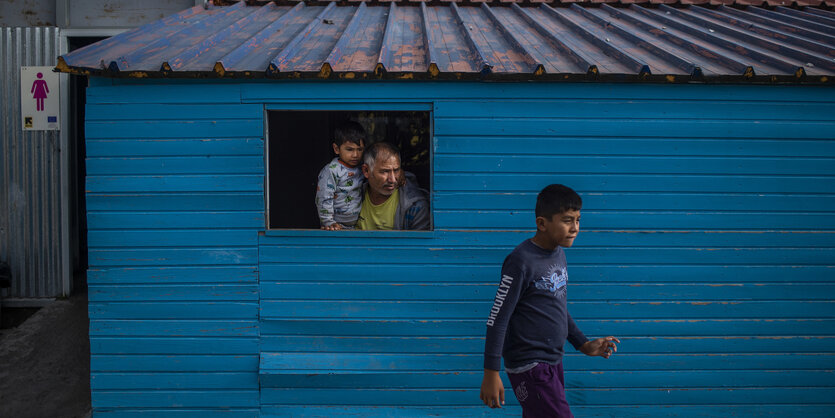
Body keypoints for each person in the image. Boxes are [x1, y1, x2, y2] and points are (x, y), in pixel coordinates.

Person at [480, 184, 620, 417]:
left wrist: (583, 344)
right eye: (567, 220)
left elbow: (557, 306)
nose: (575, 228)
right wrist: (490, 372)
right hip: (531, 367)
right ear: (542, 223)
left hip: (553, 362)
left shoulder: (558, 254)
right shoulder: (521, 262)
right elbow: (498, 318)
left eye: (577, 220)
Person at [357, 142, 429, 230]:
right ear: (366, 171)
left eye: (396, 170)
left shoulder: (416, 206)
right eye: (384, 171)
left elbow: (421, 243)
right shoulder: (351, 195)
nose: (392, 180)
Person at [315, 121, 366, 230]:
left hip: (357, 225)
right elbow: (324, 197)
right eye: (350, 149)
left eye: (360, 150)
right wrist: (328, 222)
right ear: (336, 149)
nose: (355, 155)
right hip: (335, 226)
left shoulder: (362, 168)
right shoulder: (332, 170)